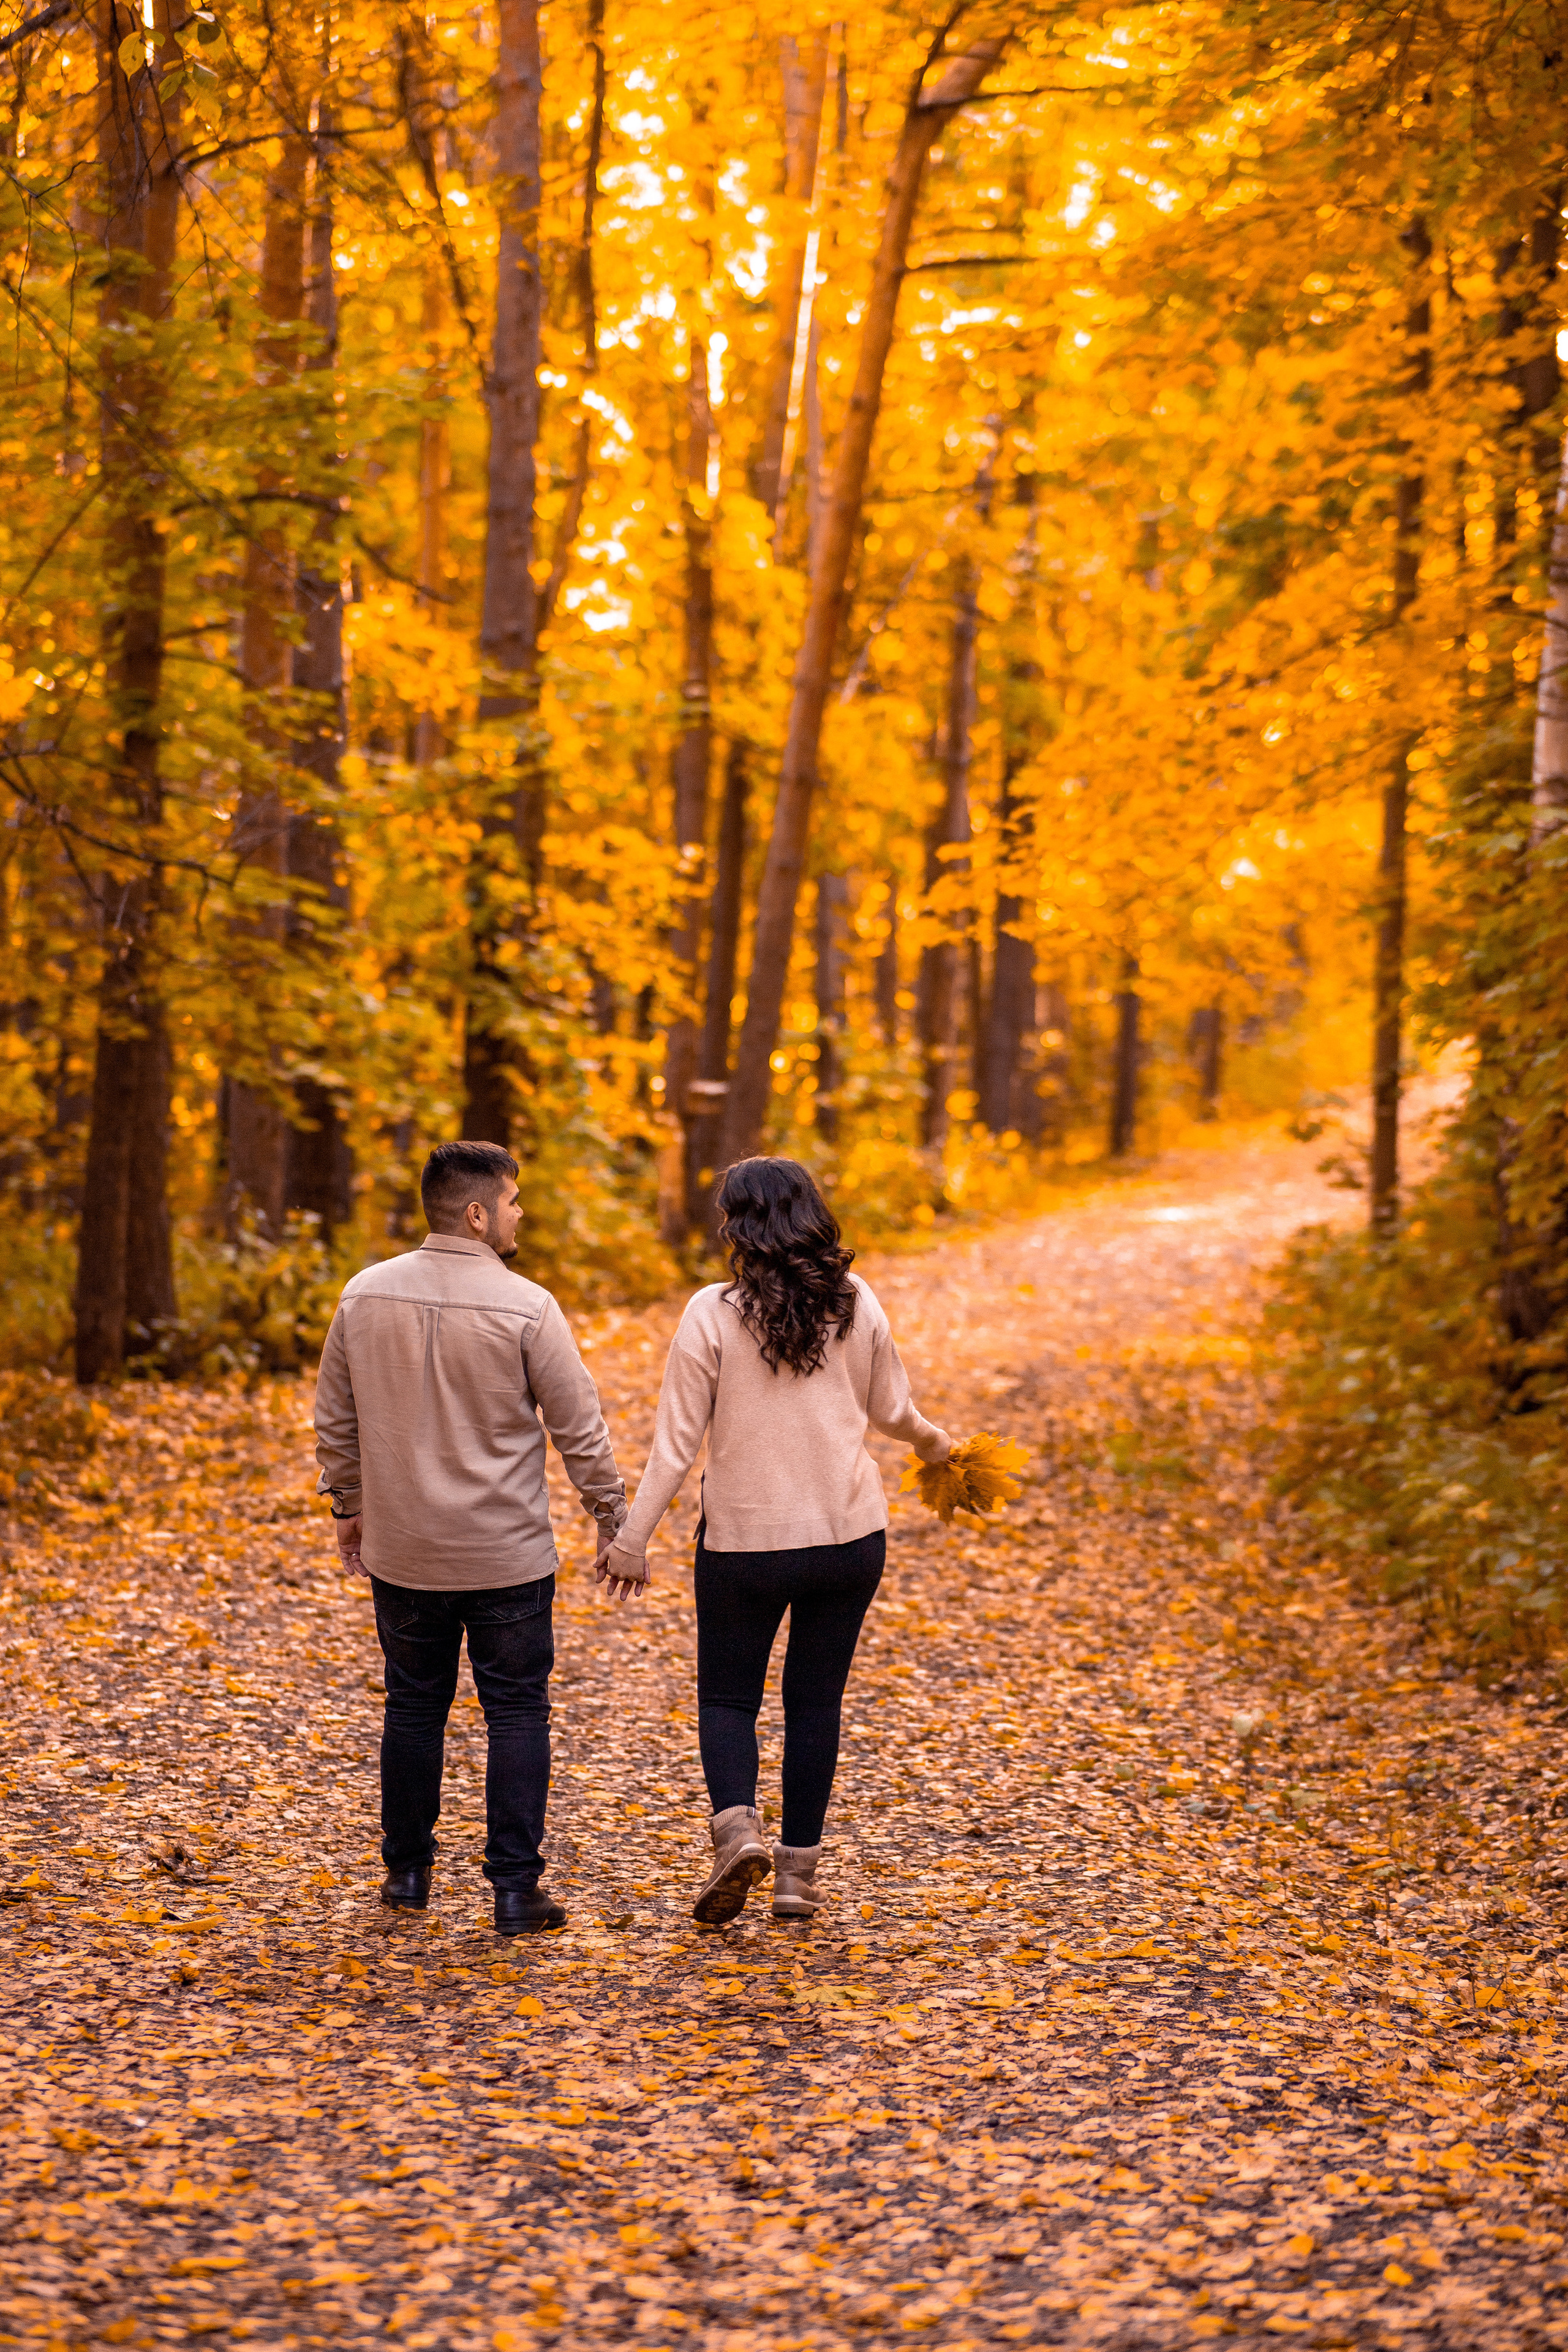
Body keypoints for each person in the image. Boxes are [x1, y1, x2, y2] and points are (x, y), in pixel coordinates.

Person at [595, 1156, 950, 1926]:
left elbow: (675, 1443)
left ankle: (736, 1831)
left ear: (740, 1226)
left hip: (745, 1547)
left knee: (729, 1698)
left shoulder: (712, 1313)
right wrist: (934, 1448)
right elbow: (894, 1410)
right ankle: (796, 1876)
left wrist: (633, 1536)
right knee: (813, 1703)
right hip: (848, 1539)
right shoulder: (855, 1302)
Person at [314, 1140, 627, 1936]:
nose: (522, 1215)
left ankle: (407, 1876)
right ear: (479, 1212)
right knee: (517, 1711)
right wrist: (612, 1517)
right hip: (506, 1555)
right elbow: (579, 1426)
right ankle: (516, 1892)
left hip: (405, 1551)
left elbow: (336, 1418)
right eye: (515, 1202)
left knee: (414, 1708)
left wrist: (348, 1504)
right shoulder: (529, 1306)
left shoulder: (362, 1296)